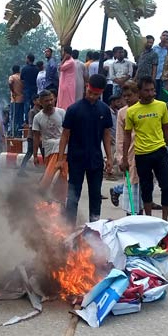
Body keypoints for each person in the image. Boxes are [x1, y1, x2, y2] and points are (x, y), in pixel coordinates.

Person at [120, 76, 168, 220]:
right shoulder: (132, 111)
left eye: (152, 90)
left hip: (160, 151)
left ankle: (165, 219)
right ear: (139, 92)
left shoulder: (161, 106)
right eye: (147, 91)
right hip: (141, 154)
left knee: (167, 186)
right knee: (146, 189)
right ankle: (149, 219)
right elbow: (126, 136)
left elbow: (167, 129)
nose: (151, 93)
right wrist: (125, 158)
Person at [60, 74, 114, 225]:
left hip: (95, 159)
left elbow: (106, 134)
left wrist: (109, 157)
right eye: (90, 93)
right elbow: (65, 135)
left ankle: (94, 225)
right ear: (86, 87)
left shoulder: (104, 110)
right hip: (76, 158)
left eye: (96, 94)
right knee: (73, 195)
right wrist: (60, 159)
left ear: (101, 93)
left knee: (95, 195)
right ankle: (69, 226)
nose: (92, 96)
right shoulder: (73, 109)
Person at [111, 81, 144, 215]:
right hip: (129, 157)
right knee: (132, 190)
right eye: (124, 96)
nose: (127, 99)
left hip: (146, 154)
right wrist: (121, 158)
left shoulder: (145, 108)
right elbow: (120, 138)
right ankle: (131, 219)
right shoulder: (122, 113)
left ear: (137, 94)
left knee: (144, 192)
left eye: (130, 95)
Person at [32, 90, 68, 202]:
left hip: (63, 147)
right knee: (53, 172)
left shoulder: (62, 112)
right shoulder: (37, 118)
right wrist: (34, 155)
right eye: (46, 101)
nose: (50, 102)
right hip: (47, 149)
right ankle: (50, 197)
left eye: (51, 100)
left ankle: (50, 192)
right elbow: (36, 137)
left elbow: (68, 132)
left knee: (61, 175)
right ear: (40, 102)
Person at [18, 94, 42, 177]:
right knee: (29, 153)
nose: (40, 101)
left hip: (40, 136)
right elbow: (31, 125)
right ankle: (21, 170)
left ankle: (46, 171)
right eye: (38, 100)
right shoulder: (32, 111)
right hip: (32, 136)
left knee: (43, 153)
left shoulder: (41, 111)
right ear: (34, 101)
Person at [21, 54, 39, 125]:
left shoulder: (24, 69)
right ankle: (34, 119)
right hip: (34, 89)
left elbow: (22, 80)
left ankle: (27, 121)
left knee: (27, 105)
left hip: (27, 89)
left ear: (28, 59)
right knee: (34, 104)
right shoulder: (36, 69)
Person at [57, 45, 77, 110]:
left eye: (62, 51)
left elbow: (60, 68)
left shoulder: (70, 61)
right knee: (62, 100)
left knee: (67, 101)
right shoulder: (68, 61)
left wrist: (64, 59)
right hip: (64, 84)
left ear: (65, 52)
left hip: (67, 85)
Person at [8, 65, 25, 137]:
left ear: (13, 70)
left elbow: (10, 83)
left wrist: (12, 91)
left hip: (14, 100)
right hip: (22, 99)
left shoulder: (12, 77)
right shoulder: (22, 77)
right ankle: (20, 133)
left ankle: (13, 132)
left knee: (13, 117)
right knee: (20, 117)